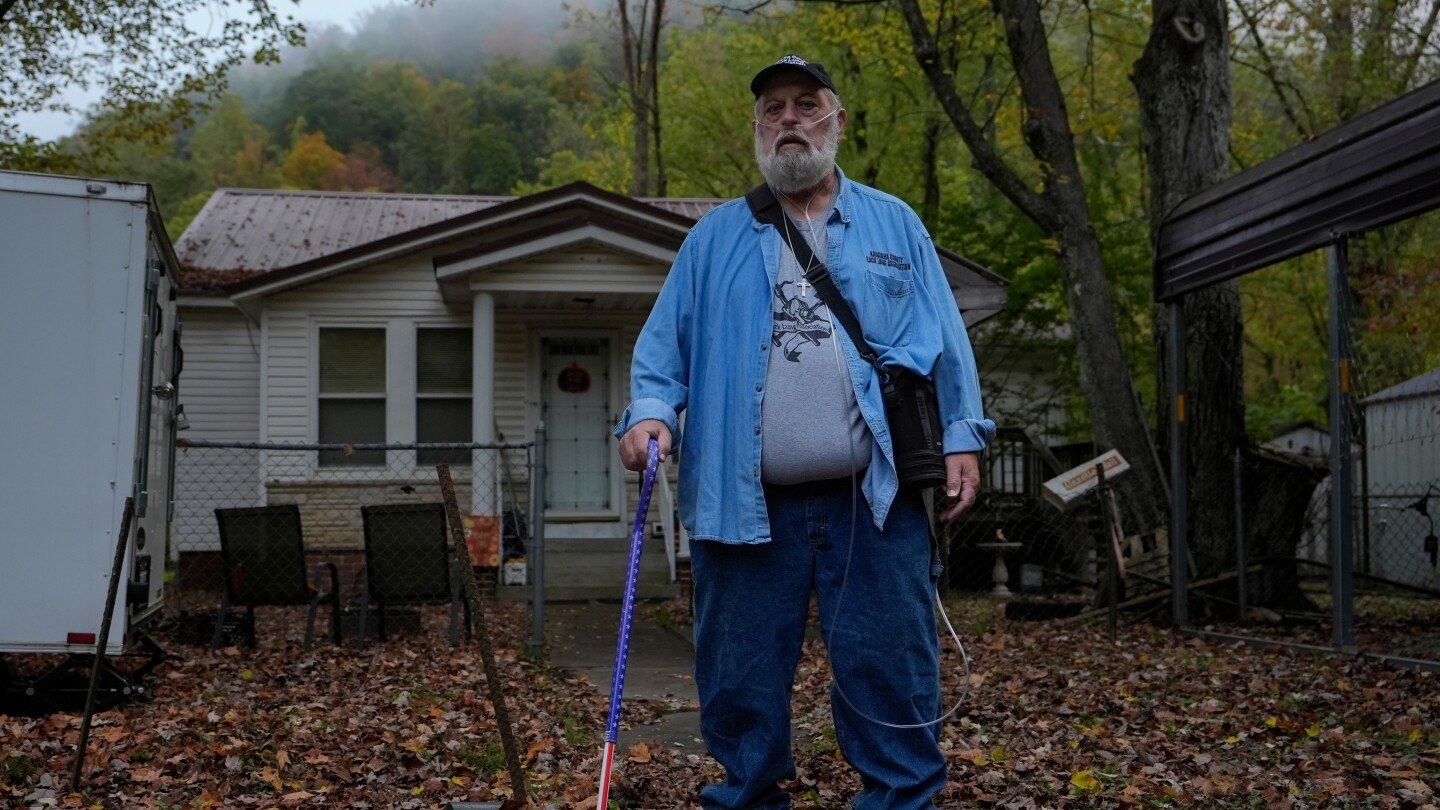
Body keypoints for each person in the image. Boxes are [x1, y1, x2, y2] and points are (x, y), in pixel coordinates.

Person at [614, 55, 995, 809]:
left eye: (806, 104)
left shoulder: (895, 224)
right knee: (740, 681)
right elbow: (660, 355)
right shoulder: (712, 239)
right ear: (758, 129)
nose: (789, 119)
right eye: (773, 109)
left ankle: (899, 801)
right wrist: (650, 412)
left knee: (890, 669)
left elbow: (946, 340)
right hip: (743, 505)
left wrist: (962, 435)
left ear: (837, 121)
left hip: (873, 499)